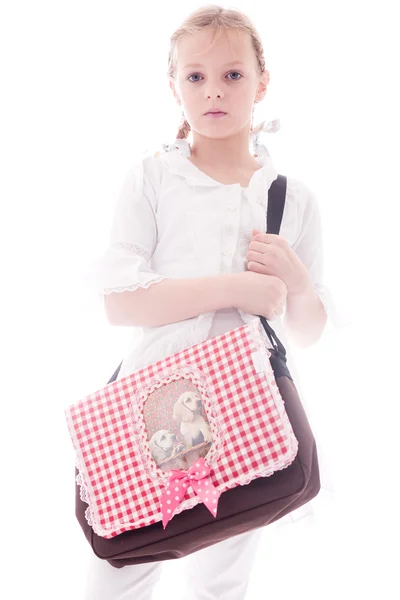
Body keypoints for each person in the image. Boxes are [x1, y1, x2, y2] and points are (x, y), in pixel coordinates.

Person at [84, 5, 338, 599]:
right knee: (120, 563)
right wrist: (237, 289)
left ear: (261, 83)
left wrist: (296, 284)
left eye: (233, 75)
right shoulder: (153, 178)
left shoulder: (290, 198)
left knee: (224, 576)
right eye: (195, 76)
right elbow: (120, 303)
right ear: (173, 86)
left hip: (245, 402)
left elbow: (309, 331)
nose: (214, 91)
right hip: (153, 399)